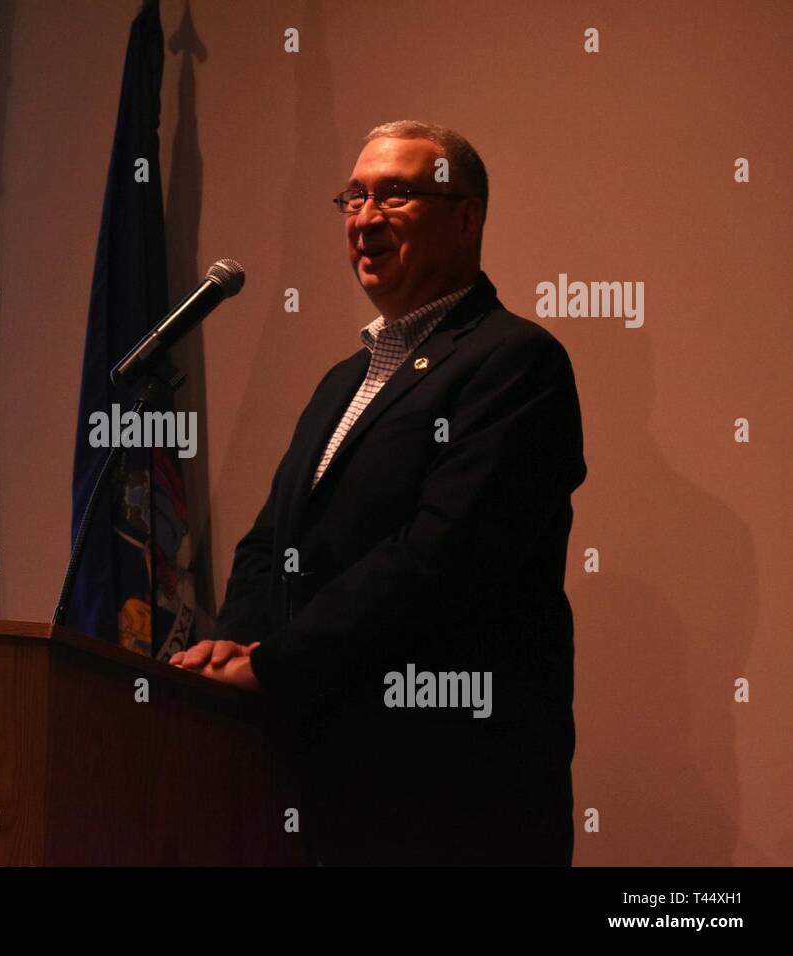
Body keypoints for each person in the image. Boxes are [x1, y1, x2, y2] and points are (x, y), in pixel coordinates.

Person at [170, 120, 587, 866]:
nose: (364, 218)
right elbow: (273, 540)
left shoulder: (516, 363)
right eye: (354, 197)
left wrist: (273, 663)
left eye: (396, 195)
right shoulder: (344, 381)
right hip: (319, 780)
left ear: (467, 218)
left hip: (451, 795)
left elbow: (438, 556)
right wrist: (233, 644)